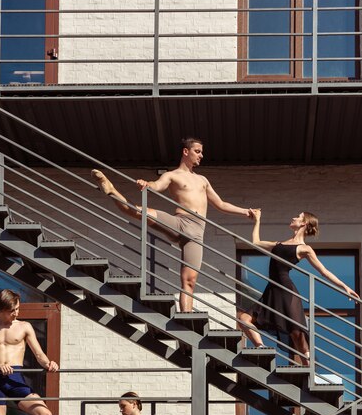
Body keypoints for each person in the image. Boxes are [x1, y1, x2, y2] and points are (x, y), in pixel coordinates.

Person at [91, 137, 254, 312]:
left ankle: (187, 317)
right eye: (197, 151)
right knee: (137, 211)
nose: (201, 155)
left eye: (201, 152)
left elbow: (220, 204)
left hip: (197, 232)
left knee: (189, 282)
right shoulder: (172, 175)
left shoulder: (202, 180)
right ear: (186, 152)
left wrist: (245, 211)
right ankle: (111, 190)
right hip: (179, 223)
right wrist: (147, 184)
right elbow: (157, 185)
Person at [238, 210, 359, 365]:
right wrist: (258, 220)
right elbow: (255, 243)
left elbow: (324, 271)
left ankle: (309, 369)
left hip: (287, 291)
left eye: (298, 217)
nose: (293, 217)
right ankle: (261, 347)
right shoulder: (279, 244)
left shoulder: (304, 248)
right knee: (244, 319)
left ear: (304, 223)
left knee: (296, 332)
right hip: (271, 291)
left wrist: (345, 287)